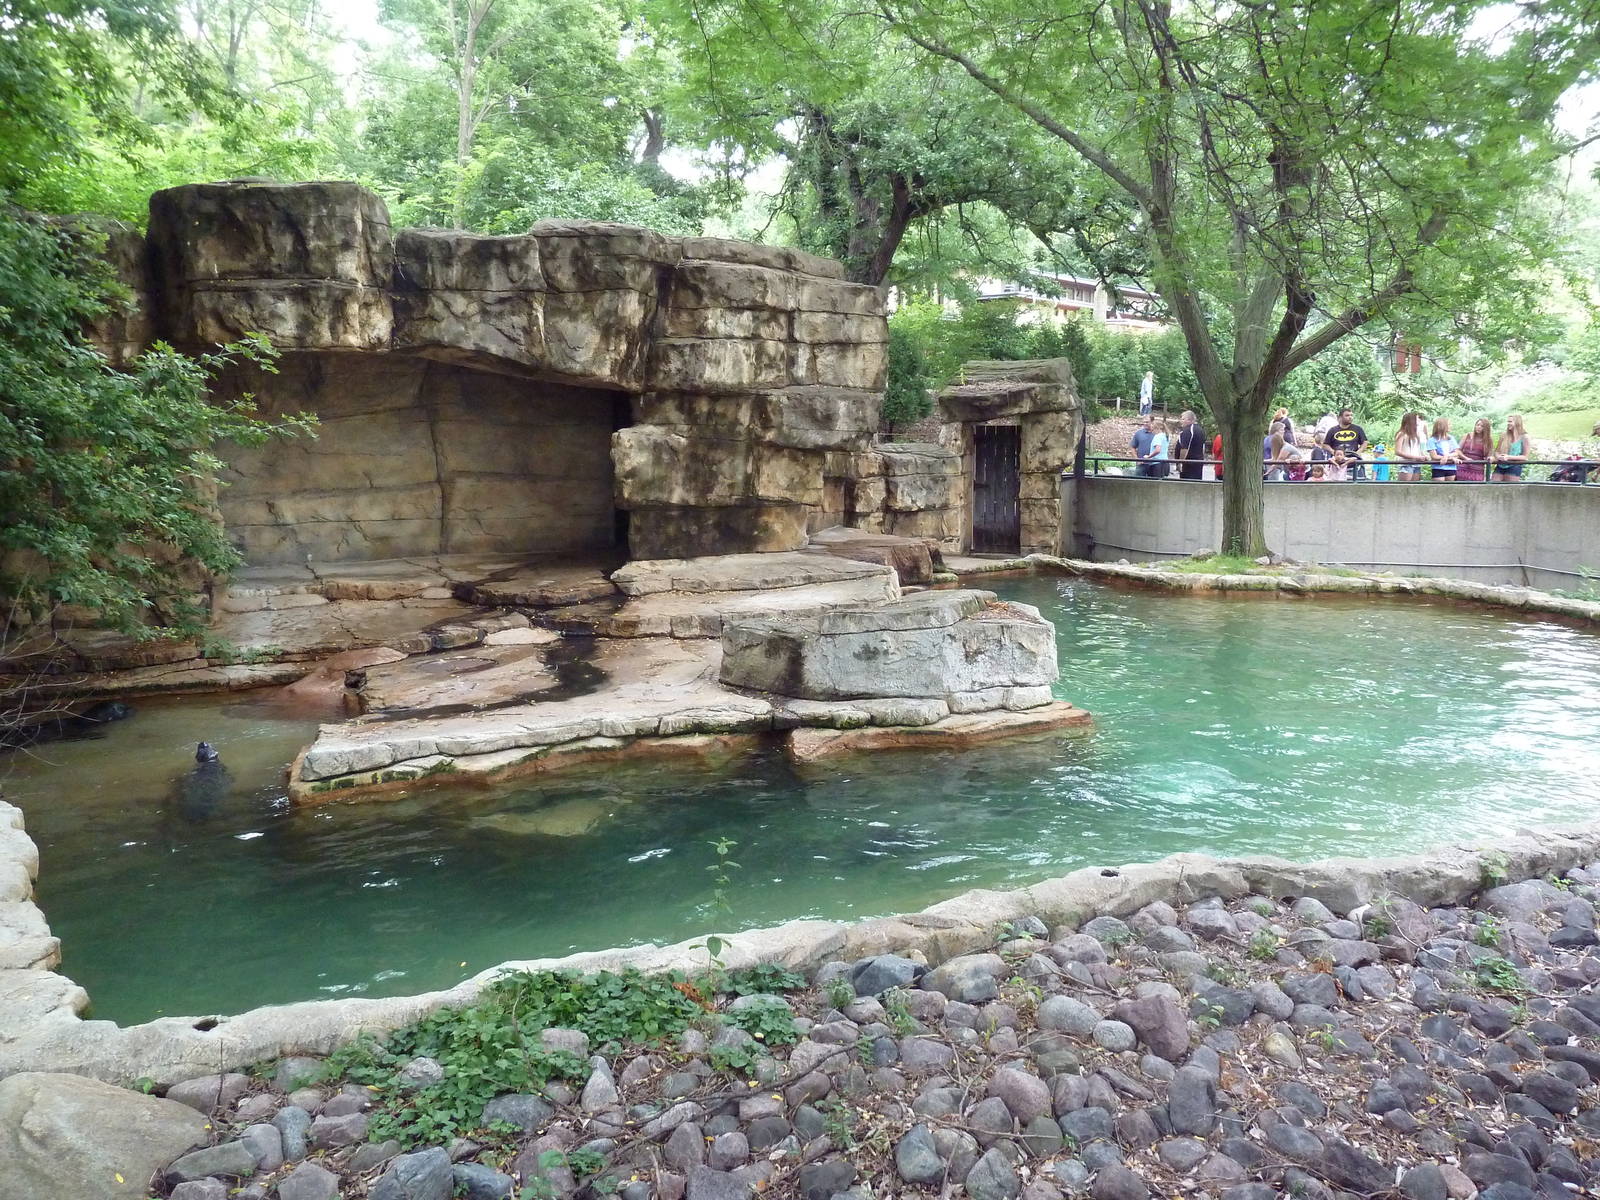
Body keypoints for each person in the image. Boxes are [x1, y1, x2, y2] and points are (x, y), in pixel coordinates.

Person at [1322, 408, 1367, 478]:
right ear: (1340, 417)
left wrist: (1358, 452)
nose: (1350, 417)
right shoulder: (1332, 430)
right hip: (1337, 463)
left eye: (1351, 415)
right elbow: (1325, 444)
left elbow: (1365, 442)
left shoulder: (1358, 429)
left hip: (1353, 462)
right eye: (1347, 415)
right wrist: (1334, 452)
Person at [1492, 414, 1529, 482]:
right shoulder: (1503, 435)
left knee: (1509, 488)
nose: (1508, 423)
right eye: (1508, 421)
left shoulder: (1524, 437)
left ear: (1517, 423)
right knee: (1493, 485)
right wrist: (1499, 457)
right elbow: (1496, 451)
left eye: (1510, 421)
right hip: (1501, 465)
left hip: (1514, 466)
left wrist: (1509, 457)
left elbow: (1525, 457)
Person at [1456, 417, 1494, 483]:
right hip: (1463, 466)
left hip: (1478, 469)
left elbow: (1489, 455)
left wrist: (1490, 458)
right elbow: (1458, 450)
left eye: (1482, 426)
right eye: (1477, 425)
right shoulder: (1467, 436)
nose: (1479, 427)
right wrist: (1466, 458)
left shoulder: (1488, 440)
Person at [1392, 412, 1427, 482]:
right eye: (1417, 419)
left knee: (1414, 487)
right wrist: (1416, 457)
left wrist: (1423, 456)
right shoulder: (1402, 434)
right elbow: (1397, 451)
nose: (1419, 420)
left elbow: (1418, 449)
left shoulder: (1416, 435)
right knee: (1405, 488)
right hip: (1406, 464)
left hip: (1416, 463)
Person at [1174, 410, 1207, 480]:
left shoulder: (1187, 430)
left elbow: (1184, 448)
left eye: (1182, 419)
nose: (1181, 421)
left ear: (1189, 420)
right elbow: (1203, 447)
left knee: (1186, 485)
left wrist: (1180, 462)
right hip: (1198, 462)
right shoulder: (1200, 429)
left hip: (1189, 464)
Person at [1427, 417, 1459, 482]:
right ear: (1443, 426)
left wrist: (1446, 457)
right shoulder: (1432, 440)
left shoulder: (1451, 438)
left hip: (1451, 467)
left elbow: (1457, 452)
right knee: (1438, 488)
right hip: (1438, 467)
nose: (1451, 426)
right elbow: (1434, 456)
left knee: (1450, 488)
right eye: (1449, 425)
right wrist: (1451, 458)